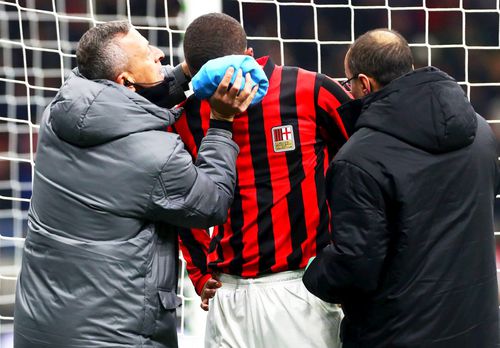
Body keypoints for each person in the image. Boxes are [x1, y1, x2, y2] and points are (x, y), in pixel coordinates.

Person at [13, 20, 258, 348]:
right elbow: (211, 202)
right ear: (125, 81)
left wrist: (189, 71)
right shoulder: (156, 155)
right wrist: (221, 124)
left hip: (40, 327)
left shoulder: (59, 113)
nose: (159, 54)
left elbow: (126, 102)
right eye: (147, 54)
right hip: (115, 335)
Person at [303, 28, 499, 347]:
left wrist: (313, 274)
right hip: (477, 329)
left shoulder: (358, 158)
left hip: (398, 334)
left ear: (364, 83)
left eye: (348, 83)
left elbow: (356, 265)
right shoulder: (479, 131)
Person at [171, 13, 352, 348]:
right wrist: (199, 272)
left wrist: (348, 262)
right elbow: (184, 202)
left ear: (251, 57)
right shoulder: (186, 116)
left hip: (301, 287)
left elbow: (364, 168)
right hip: (227, 292)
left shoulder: (310, 89)